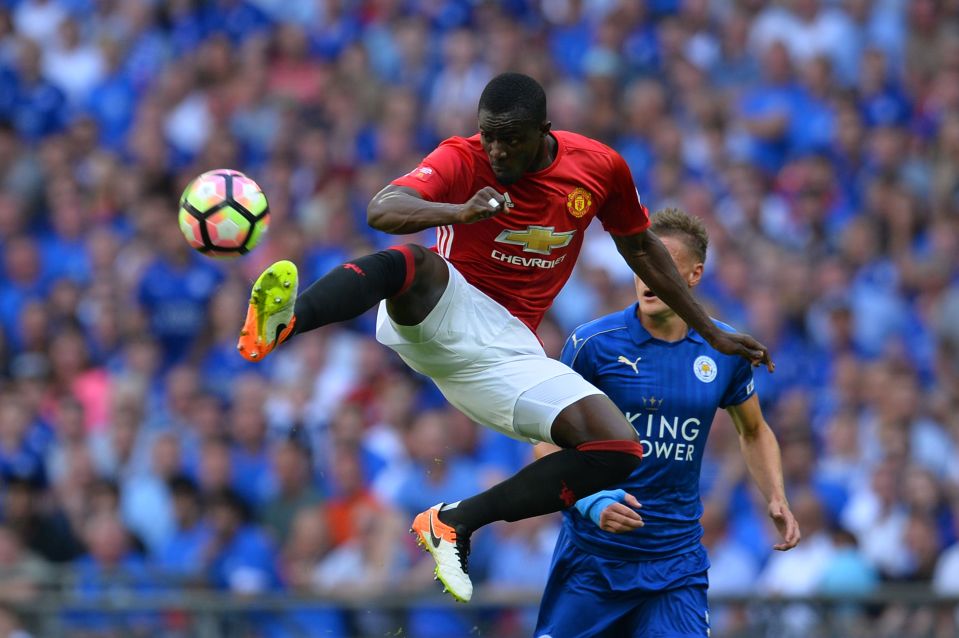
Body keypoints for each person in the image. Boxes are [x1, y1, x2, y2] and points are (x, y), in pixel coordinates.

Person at [236, 73, 772, 602]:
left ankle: (454, 523)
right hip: (446, 308)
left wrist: (709, 331)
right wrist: (457, 210)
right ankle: (286, 321)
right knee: (415, 263)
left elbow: (642, 249)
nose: (495, 150)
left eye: (510, 139)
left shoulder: (599, 167)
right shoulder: (462, 158)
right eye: (487, 134)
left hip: (507, 350)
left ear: (544, 130)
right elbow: (382, 207)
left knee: (616, 446)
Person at [534, 209, 801, 637]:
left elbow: (753, 430)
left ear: (693, 276)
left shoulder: (722, 348)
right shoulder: (593, 345)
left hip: (675, 564)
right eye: (640, 264)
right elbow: (544, 441)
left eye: (662, 267)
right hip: (592, 561)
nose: (647, 277)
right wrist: (591, 501)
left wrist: (776, 495)